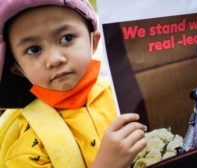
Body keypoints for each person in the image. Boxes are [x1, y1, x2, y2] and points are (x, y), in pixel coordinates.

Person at [0, 0, 147, 168]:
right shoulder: (25, 143)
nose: (55, 59)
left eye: (66, 38)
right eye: (34, 49)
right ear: (18, 69)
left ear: (94, 42)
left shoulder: (122, 93)